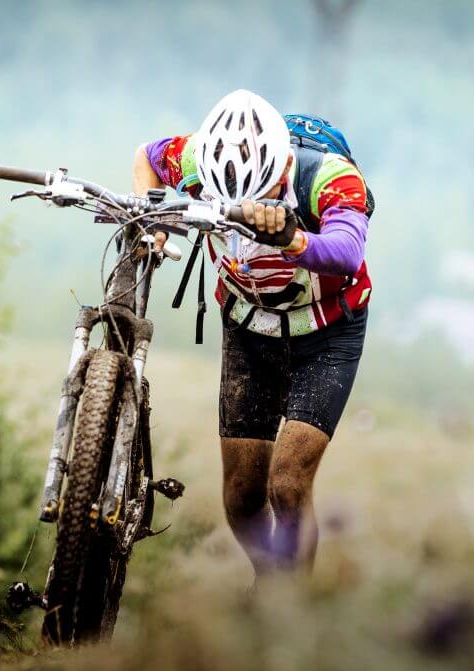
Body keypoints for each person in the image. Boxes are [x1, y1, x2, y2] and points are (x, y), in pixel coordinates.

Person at [131, 89, 372, 577]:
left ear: (279, 171)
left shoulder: (327, 175)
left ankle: (294, 614)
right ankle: (271, 583)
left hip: (326, 333)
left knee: (287, 484)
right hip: (248, 326)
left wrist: (291, 237)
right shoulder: (197, 157)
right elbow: (147, 157)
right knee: (241, 498)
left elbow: (348, 250)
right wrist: (152, 219)